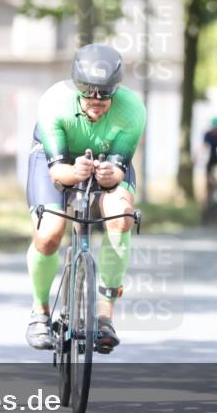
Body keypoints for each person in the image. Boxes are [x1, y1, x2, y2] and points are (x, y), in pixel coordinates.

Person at [25, 43, 146, 354]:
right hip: (56, 161)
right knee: (50, 233)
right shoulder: (55, 102)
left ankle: (105, 316)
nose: (96, 99)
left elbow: (120, 171)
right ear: (76, 85)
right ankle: (39, 312)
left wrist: (110, 175)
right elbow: (57, 174)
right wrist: (74, 172)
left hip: (107, 160)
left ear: (115, 90)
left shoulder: (132, 109)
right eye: (88, 91)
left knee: (120, 217)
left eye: (104, 93)